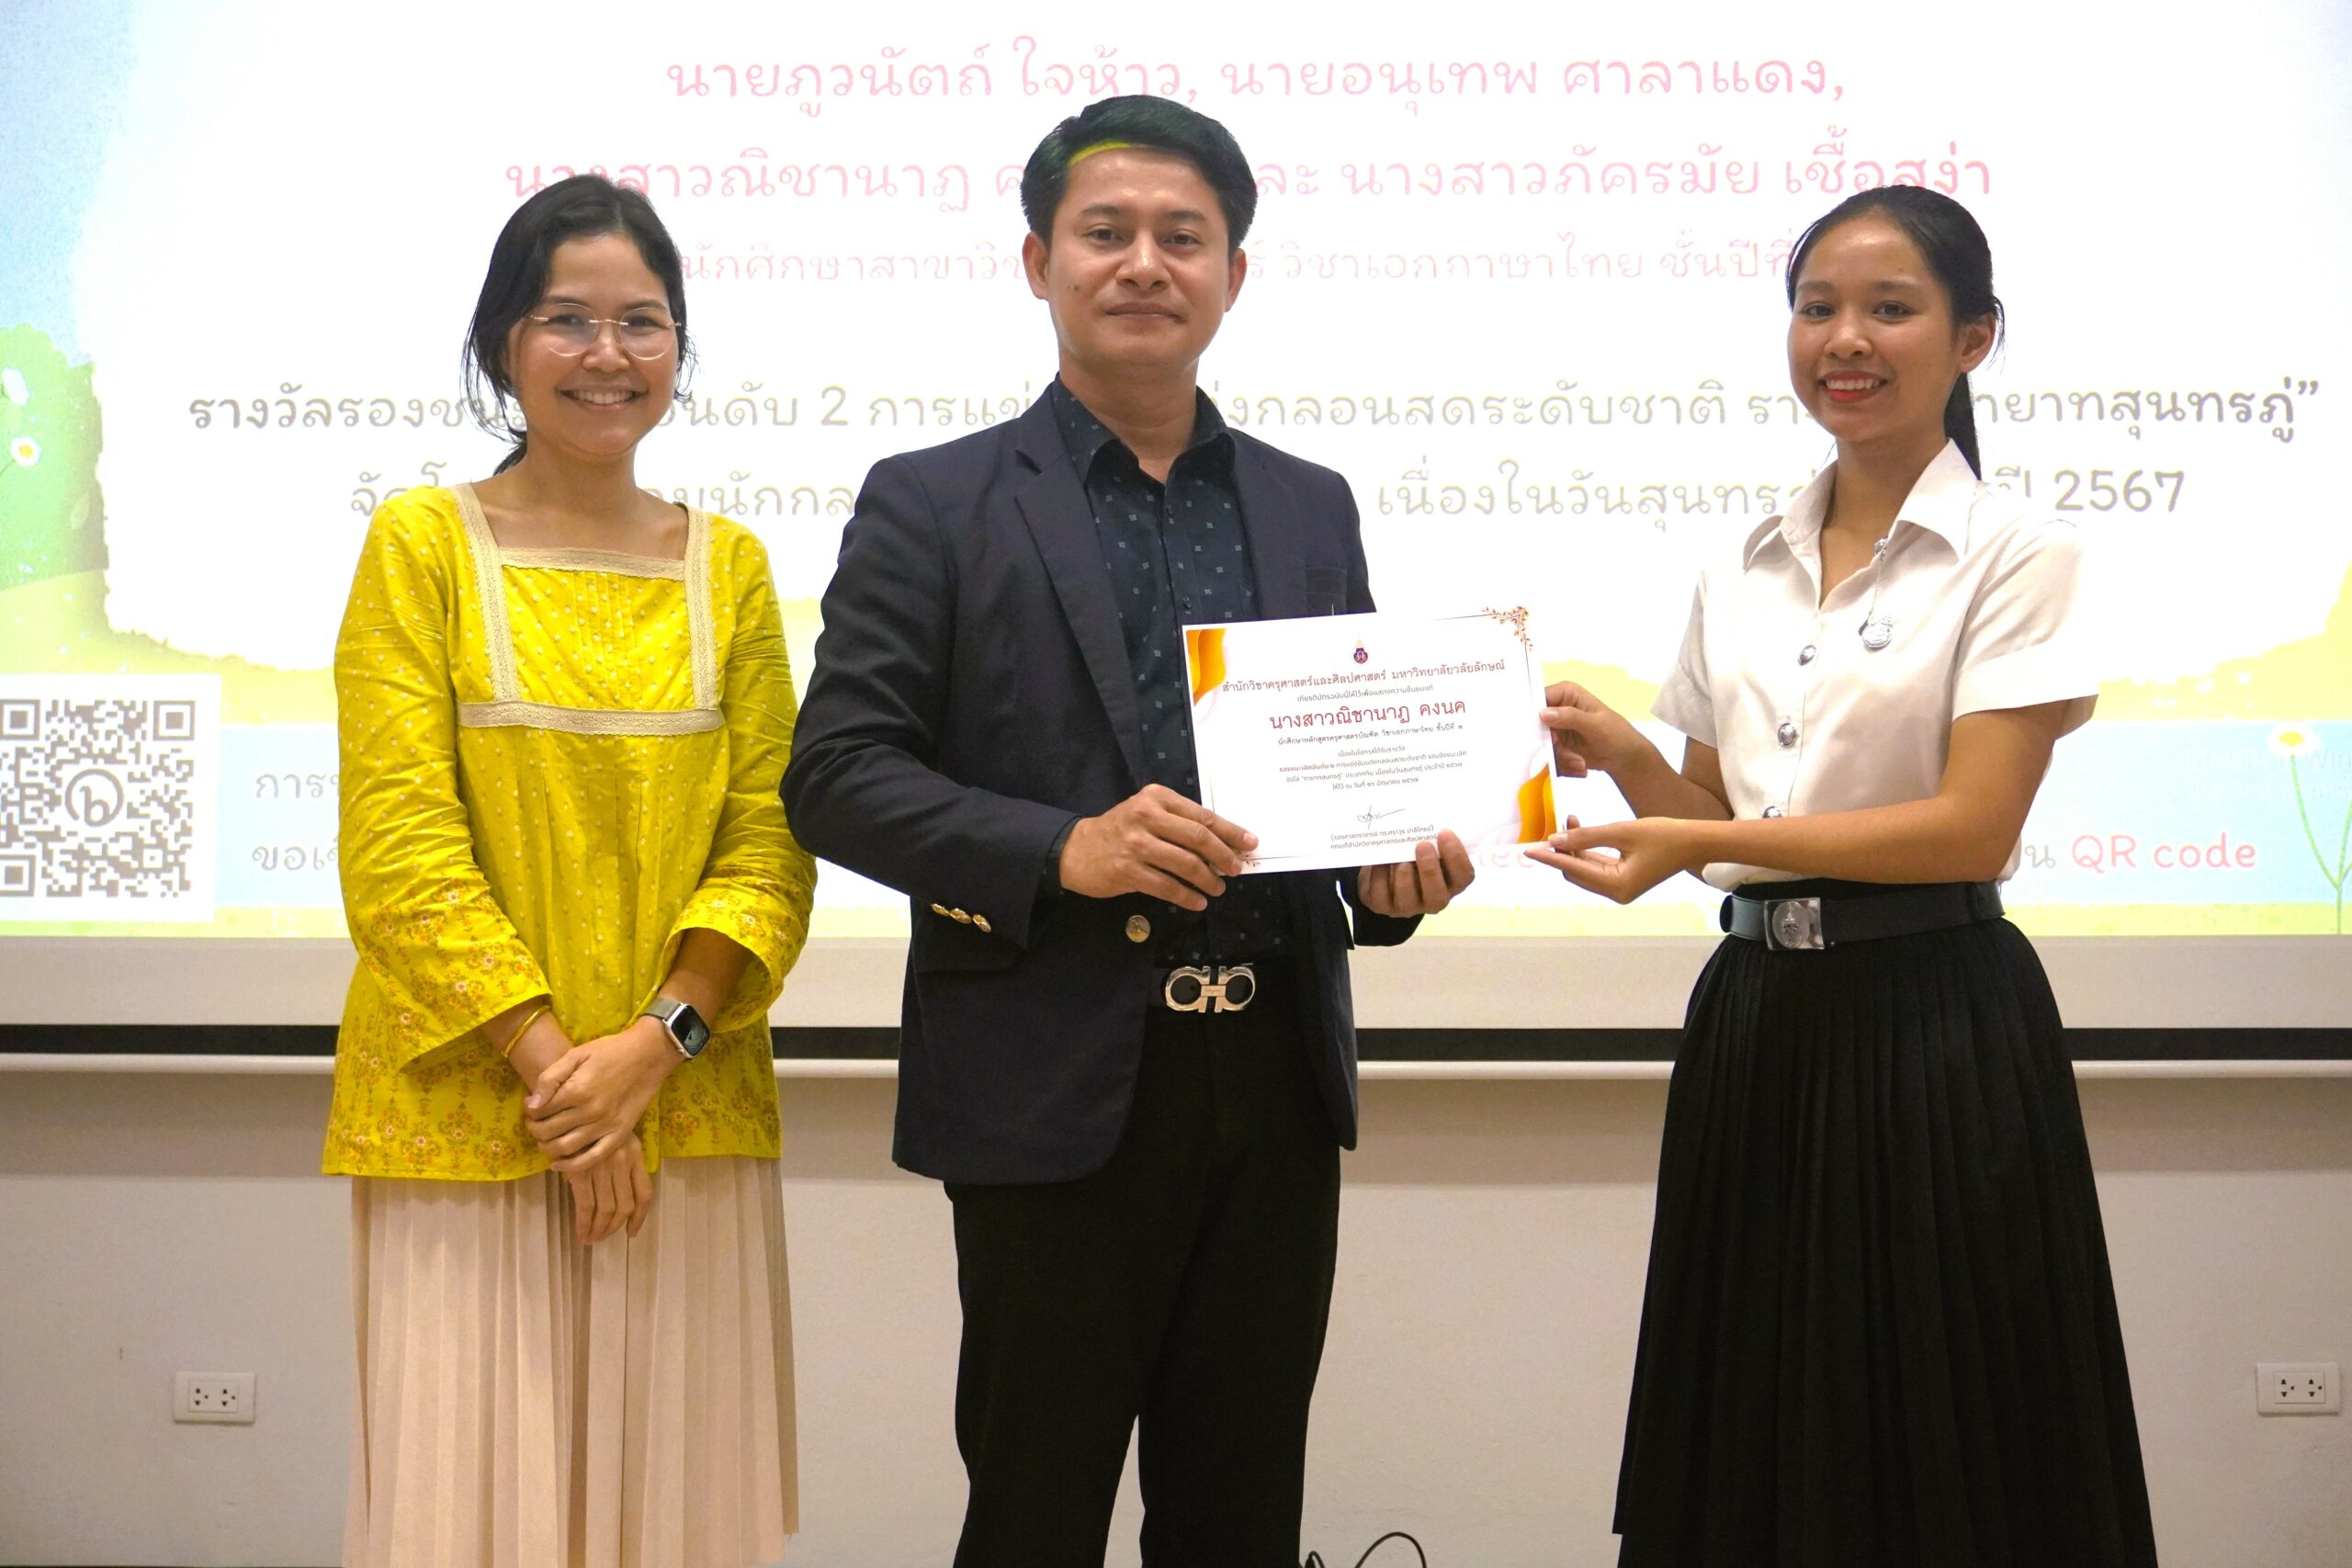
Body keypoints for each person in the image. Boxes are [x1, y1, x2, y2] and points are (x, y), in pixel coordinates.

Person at [781, 96, 1474, 1567]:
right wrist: (1060, 849)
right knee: (1034, 1514)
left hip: (1273, 1080)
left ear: (1235, 273)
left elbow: (1347, 783)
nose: (1145, 263)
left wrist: (1392, 880)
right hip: (1052, 1083)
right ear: (1040, 262)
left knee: (1240, 1516)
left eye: (1183, 236)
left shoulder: (1309, 505)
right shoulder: (934, 501)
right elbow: (836, 772)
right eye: (1106, 233)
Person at [1530, 186, 2157, 1567]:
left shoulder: (2021, 552)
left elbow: (1970, 831)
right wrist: (1623, 754)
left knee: (1945, 1428)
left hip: (1936, 1025)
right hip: (1758, 1022)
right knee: (1754, 1416)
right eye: (1817, 309)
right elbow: (1716, 826)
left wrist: (1693, 845)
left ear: (1974, 340)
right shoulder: (1739, 558)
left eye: (1890, 309)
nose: (1845, 340)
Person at [324, 174, 816, 1568]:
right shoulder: (421, 543)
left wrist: (652, 1053)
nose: (609, 354)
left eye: (642, 322)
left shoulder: (733, 566)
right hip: (472, 1112)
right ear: (503, 344)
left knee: (677, 1513)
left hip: (685, 1112)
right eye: (567, 319)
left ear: (678, 347)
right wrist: (570, 1087)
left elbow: (771, 841)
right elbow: (399, 847)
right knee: (470, 1514)